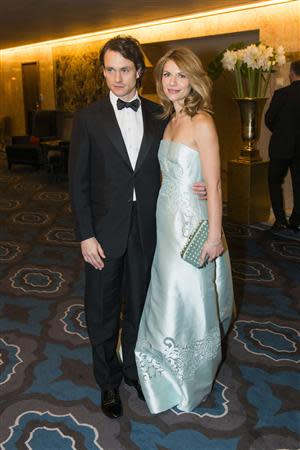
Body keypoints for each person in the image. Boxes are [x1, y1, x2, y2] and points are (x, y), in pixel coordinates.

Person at [69, 36, 206, 420]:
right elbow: (77, 182)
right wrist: (85, 234)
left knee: (141, 307)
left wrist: (200, 182)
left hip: (149, 229)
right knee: (102, 309)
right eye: (109, 69)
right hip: (103, 233)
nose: (116, 77)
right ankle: (108, 383)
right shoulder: (88, 118)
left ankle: (133, 372)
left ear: (140, 73)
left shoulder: (158, 113)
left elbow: (177, 156)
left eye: (124, 70)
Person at [135, 47, 235, 414]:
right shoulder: (168, 120)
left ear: (193, 79)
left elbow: (215, 184)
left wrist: (213, 236)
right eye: (167, 75)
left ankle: (189, 376)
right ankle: (161, 365)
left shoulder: (202, 121)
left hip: (192, 225)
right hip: (166, 219)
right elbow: (169, 175)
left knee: (185, 295)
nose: (173, 82)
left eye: (180, 75)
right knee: (163, 290)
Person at [265, 60, 300, 232]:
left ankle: (280, 220)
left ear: (291, 73)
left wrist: (281, 132)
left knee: (274, 182)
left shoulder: (281, 94)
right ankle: (296, 220)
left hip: (281, 147)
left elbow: (269, 120)